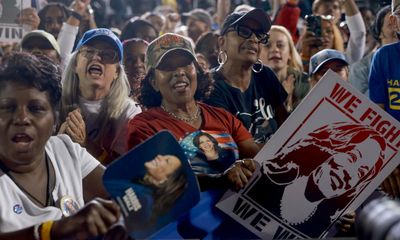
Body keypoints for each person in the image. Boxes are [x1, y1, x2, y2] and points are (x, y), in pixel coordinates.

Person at [0, 52, 124, 239]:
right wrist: (50, 231)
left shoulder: (65, 149)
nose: (22, 119)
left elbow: (122, 195)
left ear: (55, 119)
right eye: (7, 107)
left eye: (36, 108)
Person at [127, 32, 259, 192]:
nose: (179, 72)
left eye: (185, 64)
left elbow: (257, 155)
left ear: (197, 71)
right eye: (167, 67)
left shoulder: (222, 116)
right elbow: (162, 182)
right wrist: (221, 179)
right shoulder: (144, 126)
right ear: (153, 82)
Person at [246, 122, 386, 238]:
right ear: (331, 148)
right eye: (352, 157)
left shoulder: (330, 220)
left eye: (361, 172)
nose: (350, 173)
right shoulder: (264, 179)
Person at [205, 8, 289, 145]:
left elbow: (286, 124)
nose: (253, 39)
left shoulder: (265, 75)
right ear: (222, 43)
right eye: (243, 31)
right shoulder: (210, 86)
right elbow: (238, 148)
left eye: (260, 35)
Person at [59, 28, 141, 165]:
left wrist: (86, 144)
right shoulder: (53, 103)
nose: (97, 58)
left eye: (108, 55)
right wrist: (56, 142)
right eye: (89, 52)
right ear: (74, 64)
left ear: (117, 72)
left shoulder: (129, 113)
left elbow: (123, 170)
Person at [349, 5, 399, 96]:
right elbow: (361, 105)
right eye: (391, 24)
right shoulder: (360, 69)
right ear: (380, 33)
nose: (397, 28)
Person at [261, 25, 309, 112]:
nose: (275, 49)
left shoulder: (305, 83)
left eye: (280, 45)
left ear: (290, 53)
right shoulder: (250, 87)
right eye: (267, 46)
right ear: (258, 55)